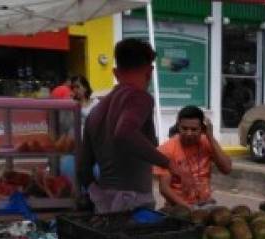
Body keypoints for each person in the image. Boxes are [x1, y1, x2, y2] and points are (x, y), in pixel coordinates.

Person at [77, 38, 192, 213]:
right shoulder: (140, 97)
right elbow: (124, 133)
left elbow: (83, 168)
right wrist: (172, 165)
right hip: (133, 203)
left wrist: (99, 196)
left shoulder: (96, 110)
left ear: (116, 72)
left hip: (104, 201)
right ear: (149, 71)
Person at [154, 106, 232, 208]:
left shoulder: (207, 142)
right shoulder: (166, 149)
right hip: (178, 208)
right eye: (184, 128)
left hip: (206, 204)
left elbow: (227, 169)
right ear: (178, 126)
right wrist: (189, 209)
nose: (189, 133)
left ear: (202, 128)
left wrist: (210, 137)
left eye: (194, 129)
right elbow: (164, 189)